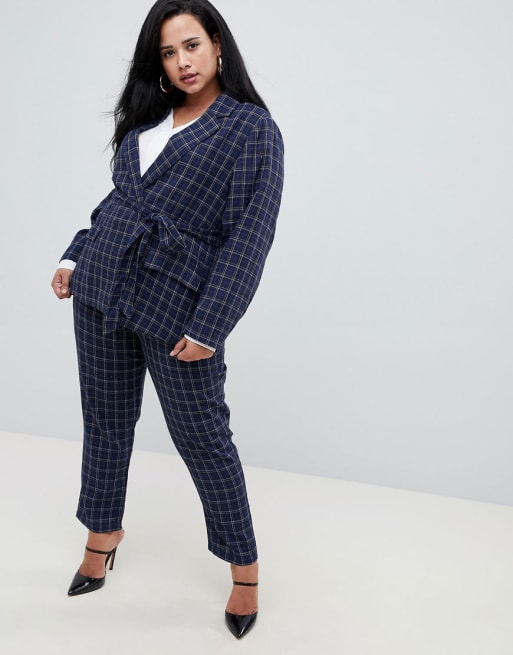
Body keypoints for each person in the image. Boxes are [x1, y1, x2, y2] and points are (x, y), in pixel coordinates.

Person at [50, 0, 284, 640]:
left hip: (179, 311)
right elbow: (119, 204)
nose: (182, 62)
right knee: (104, 423)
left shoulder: (250, 128)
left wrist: (211, 325)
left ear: (217, 45)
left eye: (191, 45)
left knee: (203, 439)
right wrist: (74, 255)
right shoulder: (149, 121)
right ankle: (102, 535)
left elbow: (249, 236)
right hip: (100, 289)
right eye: (168, 52)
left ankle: (244, 569)